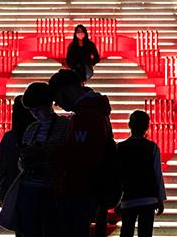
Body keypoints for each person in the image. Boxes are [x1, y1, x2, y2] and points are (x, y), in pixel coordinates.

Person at [48, 69, 119, 237]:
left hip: (78, 189)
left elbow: (81, 157)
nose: (57, 103)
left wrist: (55, 153)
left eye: (57, 97)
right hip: (87, 189)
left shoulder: (85, 115)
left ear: (67, 90)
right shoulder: (96, 112)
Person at [16, 82, 70, 237]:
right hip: (30, 186)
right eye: (32, 111)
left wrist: (45, 153)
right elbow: (21, 161)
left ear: (48, 104)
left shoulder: (65, 125)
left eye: (37, 109)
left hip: (51, 188)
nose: (35, 114)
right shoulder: (31, 129)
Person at [117, 110, 167, 237]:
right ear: (147, 127)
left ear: (130, 125)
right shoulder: (152, 147)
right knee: (145, 233)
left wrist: (117, 201)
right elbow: (157, 174)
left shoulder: (120, 147)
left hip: (128, 198)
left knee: (126, 231)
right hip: (148, 198)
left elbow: (117, 175)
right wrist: (160, 199)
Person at [0, 95, 36, 209]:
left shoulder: (10, 137)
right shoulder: (40, 134)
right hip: (36, 188)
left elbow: (0, 166)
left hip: (11, 187)